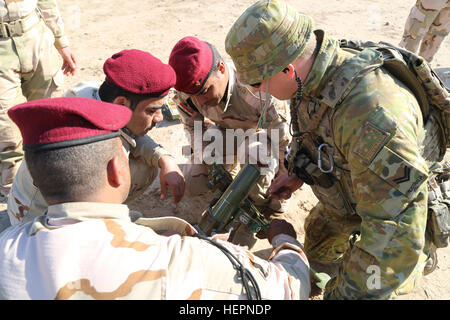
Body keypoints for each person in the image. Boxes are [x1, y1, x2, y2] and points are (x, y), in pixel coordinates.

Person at [225, 0, 446, 299]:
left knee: (367, 285)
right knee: (317, 246)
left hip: (398, 217)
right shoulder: (313, 71)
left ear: (287, 69)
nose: (256, 92)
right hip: (352, 190)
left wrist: (342, 294)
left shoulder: (372, 114)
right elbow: (318, 131)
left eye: (256, 82)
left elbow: (396, 233)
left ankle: (422, 260)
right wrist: (298, 173)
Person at [0, 96, 310, 299]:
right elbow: (288, 289)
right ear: (116, 171)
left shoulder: (7, 247)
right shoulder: (180, 260)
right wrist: (287, 242)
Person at [7, 49, 185, 227]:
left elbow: (131, 134)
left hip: (55, 204)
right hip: (37, 221)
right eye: (151, 111)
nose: (160, 118)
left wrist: (164, 158)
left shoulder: (96, 95)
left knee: (149, 162)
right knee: (125, 171)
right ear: (121, 103)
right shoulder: (89, 137)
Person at [168, 36, 291, 226]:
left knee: (256, 182)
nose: (200, 102)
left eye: (205, 91)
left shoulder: (257, 88)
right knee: (194, 182)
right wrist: (205, 158)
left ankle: (259, 193)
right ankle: (231, 168)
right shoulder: (186, 91)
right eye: (193, 96)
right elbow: (193, 127)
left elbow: (283, 142)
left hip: (262, 136)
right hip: (225, 134)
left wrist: (282, 183)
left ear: (222, 69)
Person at [0, 0, 77, 198]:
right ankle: (15, 198)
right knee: (7, 131)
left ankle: (55, 184)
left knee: (49, 117)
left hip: (36, 38)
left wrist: (61, 42)